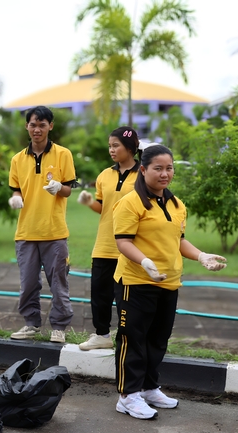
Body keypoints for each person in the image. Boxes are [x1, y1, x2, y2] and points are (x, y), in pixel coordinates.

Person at [113, 144, 226, 420]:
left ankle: (149, 388)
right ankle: (127, 396)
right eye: (158, 168)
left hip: (168, 282)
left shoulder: (176, 205)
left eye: (169, 168)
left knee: (158, 340)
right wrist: (145, 262)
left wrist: (201, 256)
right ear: (143, 169)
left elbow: (180, 241)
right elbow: (123, 241)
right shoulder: (130, 202)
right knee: (133, 339)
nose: (165, 174)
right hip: (136, 281)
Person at [7, 106, 76, 343]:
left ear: (50, 126)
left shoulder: (63, 154)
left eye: (42, 125)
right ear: (27, 126)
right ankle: (31, 324)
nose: (37, 129)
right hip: (26, 231)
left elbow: (67, 189)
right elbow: (16, 186)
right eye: (33, 125)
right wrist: (16, 196)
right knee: (27, 283)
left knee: (58, 282)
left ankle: (59, 327)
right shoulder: (17, 159)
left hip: (54, 231)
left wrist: (59, 187)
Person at [77, 126, 141, 351]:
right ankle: (102, 334)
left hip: (131, 247)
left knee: (127, 298)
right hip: (104, 244)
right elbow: (103, 208)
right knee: (99, 294)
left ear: (130, 147)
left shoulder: (143, 174)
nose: (111, 150)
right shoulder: (105, 175)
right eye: (110, 146)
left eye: (116, 146)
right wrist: (88, 202)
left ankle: (128, 338)